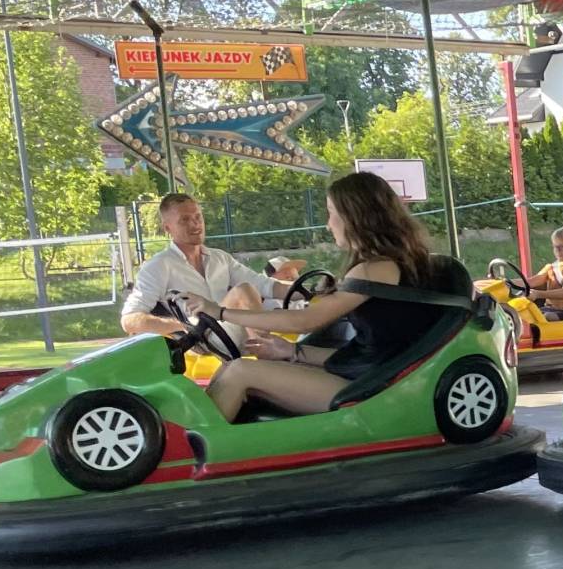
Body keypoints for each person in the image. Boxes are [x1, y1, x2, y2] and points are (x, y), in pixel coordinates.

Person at [178, 171, 443, 424]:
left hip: (372, 388)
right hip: (370, 374)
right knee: (228, 369)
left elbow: (304, 321)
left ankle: (190, 450)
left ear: (355, 216)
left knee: (239, 372)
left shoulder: (375, 269)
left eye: (331, 213)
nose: (328, 224)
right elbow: (369, 349)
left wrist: (221, 312)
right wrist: (291, 351)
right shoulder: (394, 263)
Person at [120, 193, 303, 351]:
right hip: (203, 339)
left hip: (232, 328)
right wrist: (182, 325)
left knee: (295, 316)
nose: (195, 224)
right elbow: (129, 320)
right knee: (244, 291)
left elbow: (266, 286)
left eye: (198, 217)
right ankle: (268, 351)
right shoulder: (158, 266)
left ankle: (276, 349)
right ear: (168, 228)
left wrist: (307, 291)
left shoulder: (220, 258)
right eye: (185, 220)